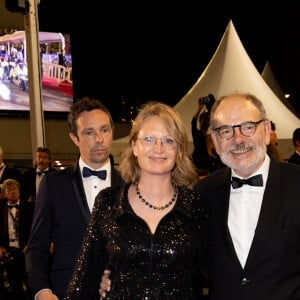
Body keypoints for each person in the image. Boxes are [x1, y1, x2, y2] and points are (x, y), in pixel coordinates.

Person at [64, 101, 209, 299]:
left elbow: (214, 272)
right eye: (149, 139)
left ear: (179, 149)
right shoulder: (108, 203)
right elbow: (82, 281)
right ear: (134, 146)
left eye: (168, 140)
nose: (159, 148)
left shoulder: (196, 205)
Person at [196, 92, 300, 299]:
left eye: (248, 126)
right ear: (215, 141)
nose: (238, 139)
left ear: (267, 130)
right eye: (225, 131)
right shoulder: (202, 193)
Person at [25, 97, 124, 300]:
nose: (99, 138)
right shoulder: (53, 185)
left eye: (104, 130)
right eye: (89, 132)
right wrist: (42, 291)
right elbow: (37, 247)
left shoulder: (131, 183)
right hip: (67, 291)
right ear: (74, 137)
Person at [0, 179, 34, 300]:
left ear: (19, 191)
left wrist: (29, 245)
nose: (12, 192)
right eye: (8, 190)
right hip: (8, 250)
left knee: (29, 281)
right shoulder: (1, 207)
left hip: (26, 249)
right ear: (4, 193)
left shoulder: (29, 207)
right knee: (12, 282)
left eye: (14, 189)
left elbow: (35, 229)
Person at [191, 95, 225, 174]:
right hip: (200, 165)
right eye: (203, 120)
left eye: (207, 120)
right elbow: (193, 122)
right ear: (200, 121)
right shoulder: (197, 133)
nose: (205, 122)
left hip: (212, 165)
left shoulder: (212, 134)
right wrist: (199, 108)